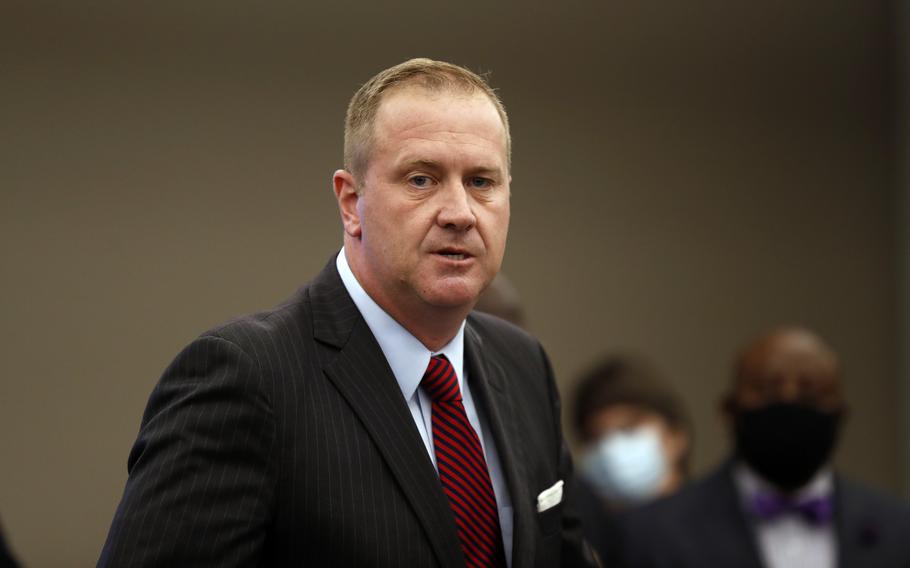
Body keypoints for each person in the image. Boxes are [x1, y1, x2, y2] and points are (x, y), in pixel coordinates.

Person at [99, 58, 593, 567]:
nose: (460, 213)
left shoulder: (524, 366)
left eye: (482, 181)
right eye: (421, 179)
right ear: (352, 202)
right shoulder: (249, 379)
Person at [619, 326, 910, 568]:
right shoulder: (653, 534)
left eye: (810, 392)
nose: (789, 402)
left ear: (840, 415)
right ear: (730, 411)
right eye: (769, 390)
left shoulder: (898, 530)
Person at [570, 356, 691, 565]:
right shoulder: (582, 548)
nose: (610, 450)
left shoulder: (723, 530)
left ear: (676, 435)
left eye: (628, 429)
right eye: (595, 437)